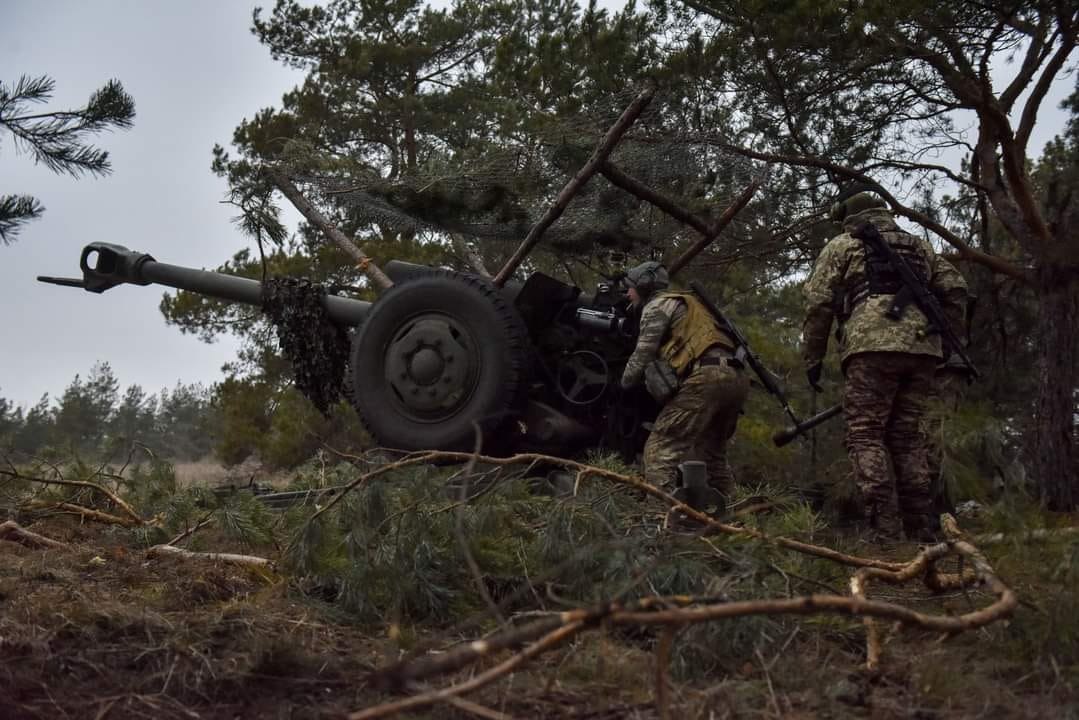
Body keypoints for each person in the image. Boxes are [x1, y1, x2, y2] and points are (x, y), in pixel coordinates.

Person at [801, 192, 968, 542]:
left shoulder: (845, 243)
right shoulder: (920, 246)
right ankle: (921, 529)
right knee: (907, 438)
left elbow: (818, 303)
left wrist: (812, 358)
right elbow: (955, 287)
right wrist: (945, 337)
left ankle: (885, 533)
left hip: (871, 346)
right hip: (924, 349)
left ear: (850, 216)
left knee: (865, 433)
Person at [619, 261, 750, 509]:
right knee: (712, 455)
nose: (628, 293)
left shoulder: (658, 305)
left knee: (659, 449)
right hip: (738, 378)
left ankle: (659, 521)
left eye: (630, 288)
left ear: (645, 286)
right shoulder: (696, 305)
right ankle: (740, 518)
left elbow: (643, 354)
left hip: (707, 377)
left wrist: (624, 383)